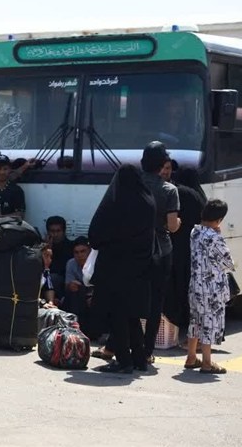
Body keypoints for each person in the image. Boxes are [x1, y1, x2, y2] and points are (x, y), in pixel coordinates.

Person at [90, 164, 155, 373]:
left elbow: (95, 235)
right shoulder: (148, 201)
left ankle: (124, 361)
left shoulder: (116, 203)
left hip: (115, 269)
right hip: (140, 269)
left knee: (116, 315)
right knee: (132, 315)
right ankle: (139, 359)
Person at [140, 141, 180, 363]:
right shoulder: (169, 190)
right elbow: (172, 226)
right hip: (161, 250)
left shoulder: (132, 184)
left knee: (131, 298)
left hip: (135, 249)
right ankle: (147, 351)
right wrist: (178, 222)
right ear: (162, 164)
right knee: (156, 302)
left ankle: (120, 345)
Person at [185, 199, 236, 374]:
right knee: (209, 323)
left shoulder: (195, 231)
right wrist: (219, 235)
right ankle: (207, 362)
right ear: (219, 219)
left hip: (195, 285)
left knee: (195, 320)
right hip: (212, 288)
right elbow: (228, 262)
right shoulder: (214, 237)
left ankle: (191, 357)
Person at [164, 167, 207, 343]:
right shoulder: (199, 195)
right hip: (194, 247)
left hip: (178, 245)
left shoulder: (179, 192)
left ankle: (176, 318)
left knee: (176, 283)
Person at [64, 236, 95, 336]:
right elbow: (67, 284)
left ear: (89, 251)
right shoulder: (71, 263)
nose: (80, 255)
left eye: (83, 251)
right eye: (76, 252)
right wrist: (71, 285)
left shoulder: (96, 263)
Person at [45, 216, 74, 299]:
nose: (55, 234)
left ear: (63, 231)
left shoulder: (71, 247)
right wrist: (47, 250)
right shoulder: (43, 247)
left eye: (58, 231)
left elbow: (60, 269)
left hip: (62, 282)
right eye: (52, 231)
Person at [0, 153, 26, 218]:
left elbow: (20, 215)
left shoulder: (16, 190)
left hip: (9, 224)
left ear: (10, 170)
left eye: (5, 169)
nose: (2, 172)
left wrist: (0, 218)